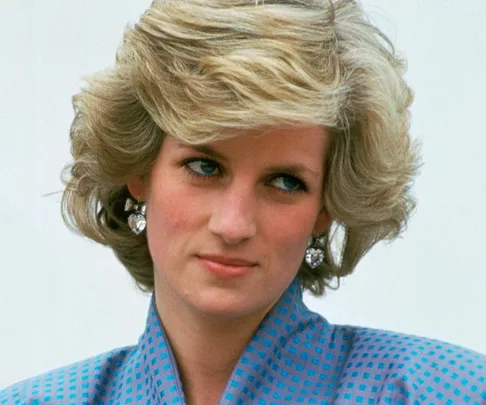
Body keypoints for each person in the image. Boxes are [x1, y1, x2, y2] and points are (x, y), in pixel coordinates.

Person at [2, 0, 485, 404]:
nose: (233, 225)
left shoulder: (442, 392)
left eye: (284, 182)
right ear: (139, 169)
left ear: (326, 207)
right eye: (204, 167)